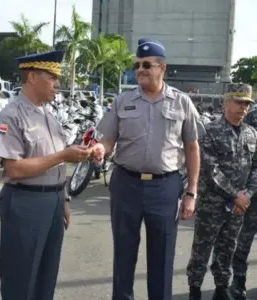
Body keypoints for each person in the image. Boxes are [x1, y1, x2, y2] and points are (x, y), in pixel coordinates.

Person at [93, 37, 202, 300]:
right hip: (126, 184)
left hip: (165, 187)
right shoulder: (122, 101)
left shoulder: (181, 102)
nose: (140, 69)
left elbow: (192, 148)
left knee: (162, 257)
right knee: (124, 253)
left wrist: (191, 192)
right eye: (137, 65)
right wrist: (100, 149)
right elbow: (108, 139)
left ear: (162, 68)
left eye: (146, 65)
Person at [0, 50, 93, 300]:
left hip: (54, 202)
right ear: (33, 76)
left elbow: (56, 163)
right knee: (20, 279)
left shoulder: (49, 115)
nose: (57, 83)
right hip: (25, 202)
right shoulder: (11, 116)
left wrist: (65, 199)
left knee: (46, 278)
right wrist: (63, 156)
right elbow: (14, 168)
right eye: (52, 76)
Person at [186, 83, 257, 300]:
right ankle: (195, 290)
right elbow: (210, 170)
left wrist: (249, 194)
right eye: (238, 102)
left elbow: (256, 167)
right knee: (202, 249)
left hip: (239, 206)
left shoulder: (251, 133)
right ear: (225, 102)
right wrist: (237, 195)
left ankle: (220, 289)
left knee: (228, 248)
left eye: (246, 103)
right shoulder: (211, 132)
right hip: (213, 204)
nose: (243, 108)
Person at [230, 104, 257, 300]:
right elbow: (243, 154)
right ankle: (238, 281)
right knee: (244, 239)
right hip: (252, 191)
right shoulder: (253, 116)